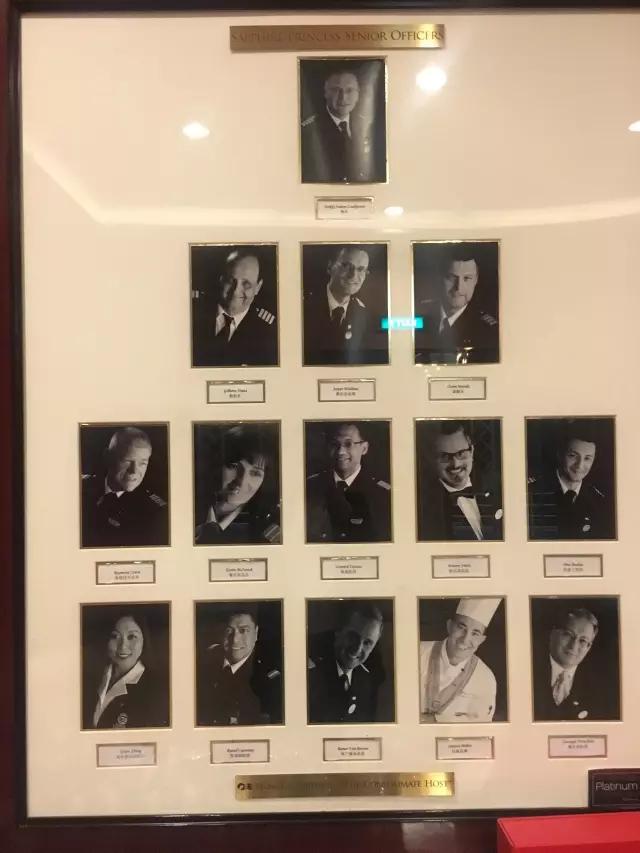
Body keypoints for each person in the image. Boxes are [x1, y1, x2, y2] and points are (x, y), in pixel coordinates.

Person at [81, 427, 169, 548]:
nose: (134, 471)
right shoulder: (81, 488)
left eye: (142, 463)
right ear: (107, 457)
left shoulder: (155, 511)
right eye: (127, 460)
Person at [417, 420, 503, 541]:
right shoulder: (422, 506)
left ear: (472, 451)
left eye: (461, 453)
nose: (455, 464)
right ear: (432, 459)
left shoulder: (499, 485)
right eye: (444, 456)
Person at [194, 424, 281, 545]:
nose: (241, 481)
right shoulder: (186, 510)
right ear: (216, 465)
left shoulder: (266, 534)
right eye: (233, 466)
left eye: (255, 473)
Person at [196, 607, 283, 726]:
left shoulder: (270, 677)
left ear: (256, 633)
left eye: (243, 630)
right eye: (228, 631)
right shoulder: (203, 662)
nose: (235, 639)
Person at [306, 422, 391, 543]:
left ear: (364, 448)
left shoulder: (383, 494)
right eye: (334, 444)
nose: (340, 451)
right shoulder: (310, 487)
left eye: (348, 444)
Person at [528, 421, 615, 540]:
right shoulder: (533, 492)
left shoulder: (600, 501)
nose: (579, 465)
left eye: (587, 458)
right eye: (573, 456)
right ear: (560, 454)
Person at [191, 248, 278, 367]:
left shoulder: (270, 332)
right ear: (221, 279)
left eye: (246, 284)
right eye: (231, 281)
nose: (236, 291)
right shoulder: (193, 310)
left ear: (258, 287)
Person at [303, 245, 387, 366]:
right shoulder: (304, 307)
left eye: (361, 269)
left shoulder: (366, 316)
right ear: (330, 267)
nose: (353, 275)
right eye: (346, 266)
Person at [420, 598, 501, 723]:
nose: (465, 639)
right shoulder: (417, 652)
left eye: (475, 633)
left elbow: (481, 725)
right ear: (449, 626)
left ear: (481, 640)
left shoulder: (486, 678)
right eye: (462, 627)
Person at [414, 244, 499, 364]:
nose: (459, 288)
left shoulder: (489, 331)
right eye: (451, 277)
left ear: (476, 280)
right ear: (439, 277)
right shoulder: (418, 313)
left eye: (467, 278)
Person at [300, 66, 385, 183]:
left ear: (358, 95)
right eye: (336, 90)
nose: (343, 97)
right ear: (326, 94)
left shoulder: (368, 125)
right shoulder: (309, 131)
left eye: (349, 90)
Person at [84, 612, 169, 729]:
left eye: (132, 637)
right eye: (115, 636)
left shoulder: (158, 689)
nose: (123, 646)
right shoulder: (90, 677)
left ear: (144, 640)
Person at [532, 606, 618, 721]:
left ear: (588, 647)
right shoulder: (527, 670)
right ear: (553, 634)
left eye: (583, 641)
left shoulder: (601, 688)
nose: (573, 646)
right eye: (568, 635)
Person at [307, 602, 387, 724]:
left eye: (367, 643)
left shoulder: (367, 682)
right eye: (353, 637)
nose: (357, 649)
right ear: (338, 632)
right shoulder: (310, 675)